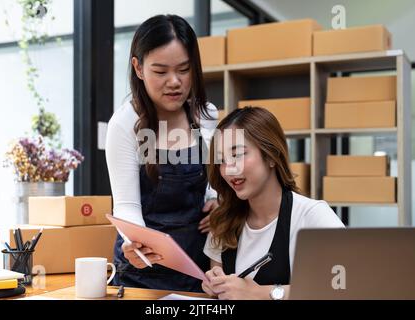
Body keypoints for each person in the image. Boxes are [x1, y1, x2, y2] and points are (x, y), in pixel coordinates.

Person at [105, 14, 218, 292]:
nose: (174, 82)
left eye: (183, 69)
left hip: (196, 266)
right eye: (160, 71)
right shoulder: (124, 124)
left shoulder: (206, 116)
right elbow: (127, 206)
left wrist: (218, 203)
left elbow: (215, 185)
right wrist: (138, 246)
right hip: (141, 270)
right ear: (139, 68)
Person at [202, 107, 344, 300]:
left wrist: (260, 293)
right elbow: (220, 291)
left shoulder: (313, 216)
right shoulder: (222, 220)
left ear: (271, 156)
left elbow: (344, 286)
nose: (229, 170)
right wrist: (216, 286)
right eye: (222, 160)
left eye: (238, 155)